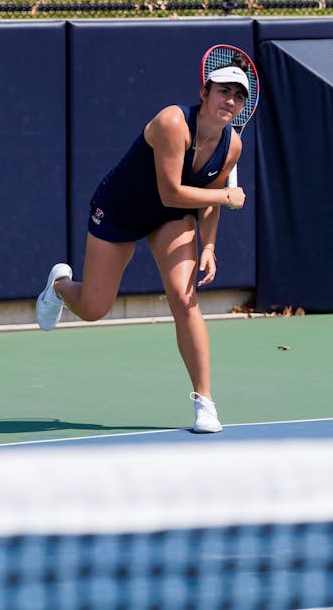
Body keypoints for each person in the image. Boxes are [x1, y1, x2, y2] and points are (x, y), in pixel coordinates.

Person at [35, 54, 252, 434]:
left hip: (171, 218)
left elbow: (206, 199)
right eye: (222, 92)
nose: (229, 101)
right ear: (204, 93)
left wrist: (209, 247)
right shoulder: (172, 122)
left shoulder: (232, 145)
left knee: (185, 301)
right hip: (121, 210)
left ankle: (205, 402)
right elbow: (172, 192)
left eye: (238, 95)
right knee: (93, 308)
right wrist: (225, 199)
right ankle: (58, 287)